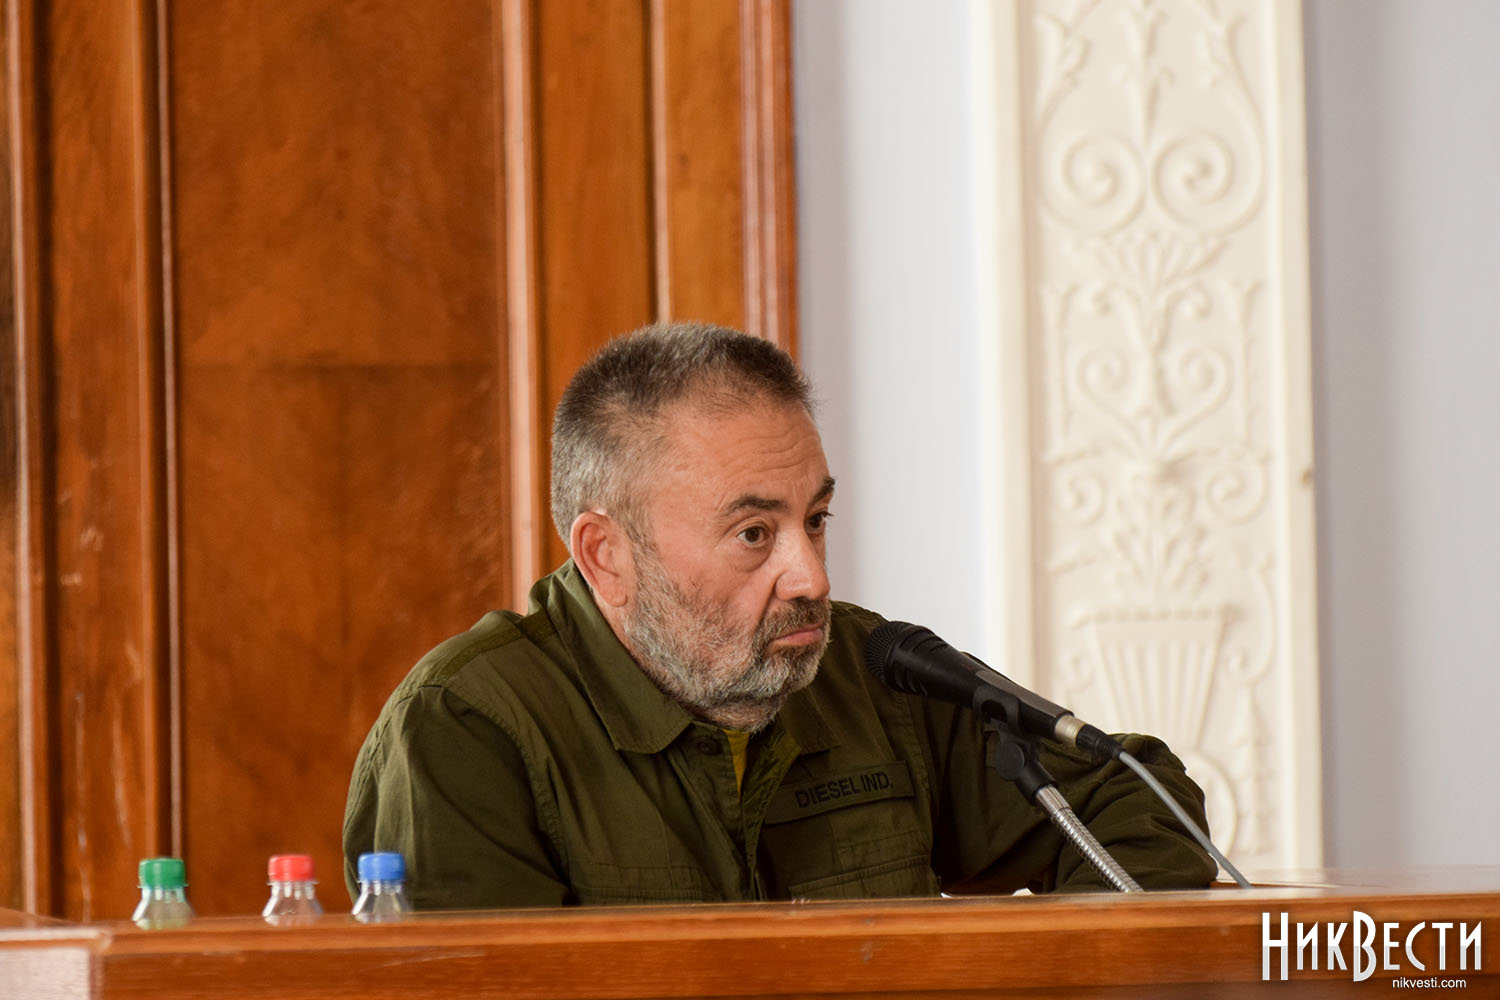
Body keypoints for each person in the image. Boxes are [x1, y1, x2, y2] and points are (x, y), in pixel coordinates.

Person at [342, 322, 1216, 908]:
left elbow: (1140, 802)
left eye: (817, 519)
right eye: (754, 533)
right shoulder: (466, 728)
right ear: (607, 554)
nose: (811, 577)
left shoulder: (870, 670)